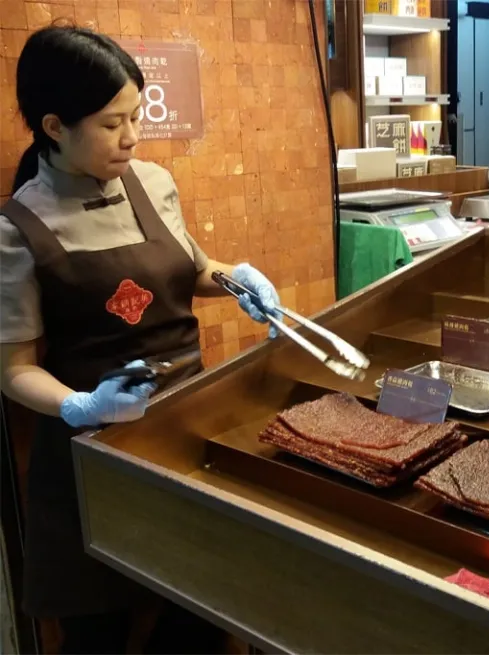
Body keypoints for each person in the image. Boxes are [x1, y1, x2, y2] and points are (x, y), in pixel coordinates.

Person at [0, 25, 280, 653]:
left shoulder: (152, 182)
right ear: (53, 127)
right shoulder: (18, 227)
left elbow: (194, 270)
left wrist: (241, 283)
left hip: (185, 431)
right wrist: (79, 405)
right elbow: (12, 369)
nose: (132, 137)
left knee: (200, 619)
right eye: (110, 123)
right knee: (96, 633)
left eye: (136, 115)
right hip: (91, 455)